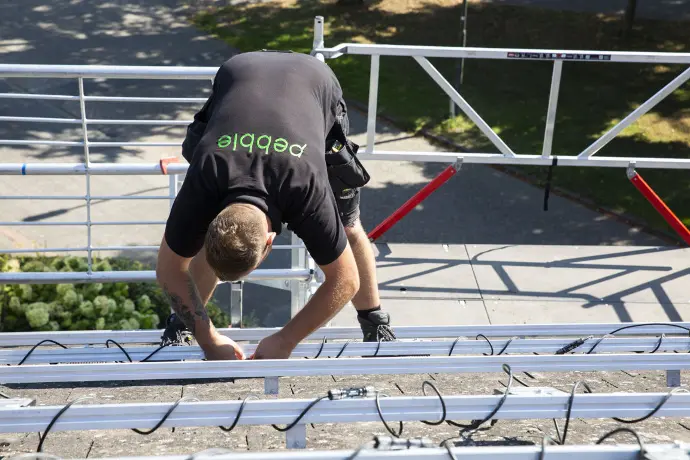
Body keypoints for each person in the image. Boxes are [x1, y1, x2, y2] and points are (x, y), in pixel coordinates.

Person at [155, 50, 396, 360]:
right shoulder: (206, 173)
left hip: (313, 82)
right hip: (240, 73)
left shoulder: (307, 187)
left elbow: (346, 279)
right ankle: (184, 326)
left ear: (269, 243)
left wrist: (285, 340)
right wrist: (209, 338)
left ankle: (374, 321)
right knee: (219, 248)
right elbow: (167, 269)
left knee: (347, 227)